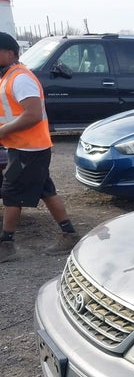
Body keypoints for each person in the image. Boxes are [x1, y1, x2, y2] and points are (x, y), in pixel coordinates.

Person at [0, 32, 79, 263]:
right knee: (46, 191)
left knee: (11, 194)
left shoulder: (21, 78)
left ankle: (7, 245)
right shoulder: (8, 77)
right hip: (25, 147)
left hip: (29, 149)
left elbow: (33, 114)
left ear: (10, 53)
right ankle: (69, 234)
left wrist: (3, 131)